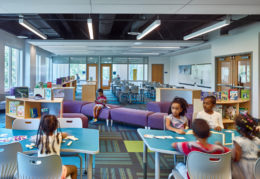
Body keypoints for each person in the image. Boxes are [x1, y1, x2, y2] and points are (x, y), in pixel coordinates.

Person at [35, 115, 77, 179]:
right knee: (74, 168)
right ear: (56, 127)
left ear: (41, 127)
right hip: (57, 174)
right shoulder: (58, 137)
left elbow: (31, 139)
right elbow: (65, 134)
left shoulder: (38, 139)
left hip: (41, 174)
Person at [231, 114, 260, 179]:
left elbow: (237, 158)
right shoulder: (256, 139)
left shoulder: (238, 141)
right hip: (255, 167)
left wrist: (232, 154)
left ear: (237, 128)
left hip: (243, 168)